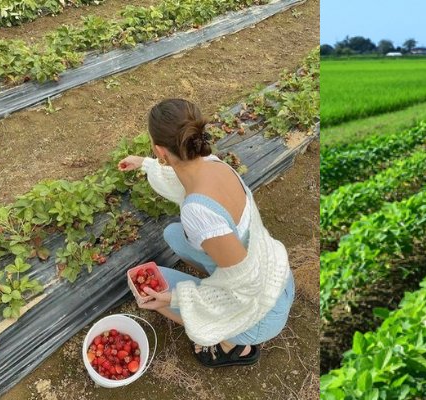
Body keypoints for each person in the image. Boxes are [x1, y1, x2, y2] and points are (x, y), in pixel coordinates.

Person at [118, 99, 294, 368]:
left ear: (160, 149)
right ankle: (219, 280)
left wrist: (176, 298)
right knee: (175, 234)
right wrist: (145, 164)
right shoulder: (213, 164)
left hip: (262, 309)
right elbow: (178, 179)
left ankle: (233, 346)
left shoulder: (199, 213)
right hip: (275, 272)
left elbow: (249, 286)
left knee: (153, 289)